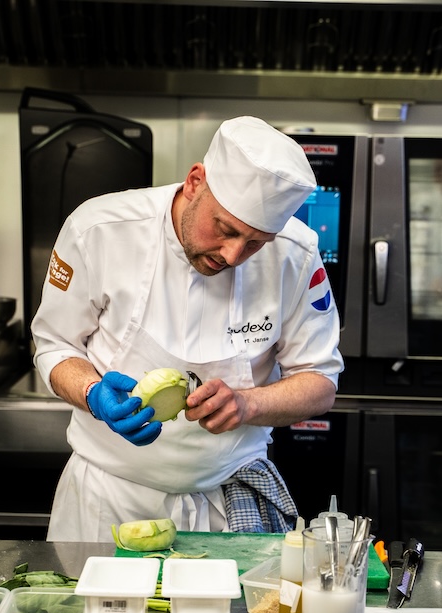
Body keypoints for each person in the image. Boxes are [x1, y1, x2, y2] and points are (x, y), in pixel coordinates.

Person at [31, 116, 344, 541]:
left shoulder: (297, 255)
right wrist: (93, 393)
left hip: (230, 502)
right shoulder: (99, 230)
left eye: (255, 243)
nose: (234, 255)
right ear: (195, 181)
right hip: (106, 499)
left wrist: (248, 404)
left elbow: (320, 381)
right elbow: (55, 345)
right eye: (225, 230)